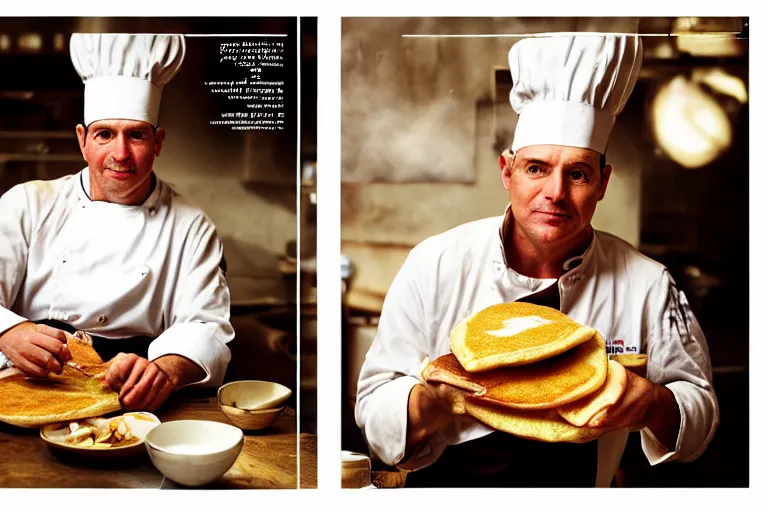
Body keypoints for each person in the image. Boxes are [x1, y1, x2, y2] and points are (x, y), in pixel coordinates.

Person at [355, 33, 719, 487]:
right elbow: (371, 408)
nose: (556, 193)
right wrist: (433, 401)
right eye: (536, 168)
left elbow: (699, 415)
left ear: (603, 182)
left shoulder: (646, 283)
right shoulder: (435, 264)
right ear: (507, 171)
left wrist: (649, 403)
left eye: (579, 174)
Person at [0, 34, 234, 413]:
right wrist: (8, 331)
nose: (120, 154)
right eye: (105, 134)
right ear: (83, 140)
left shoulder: (192, 227)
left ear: (157, 142)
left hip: (131, 398)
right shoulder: (27, 204)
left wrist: (164, 371)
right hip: (28, 390)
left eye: (136, 136)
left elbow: (206, 326)